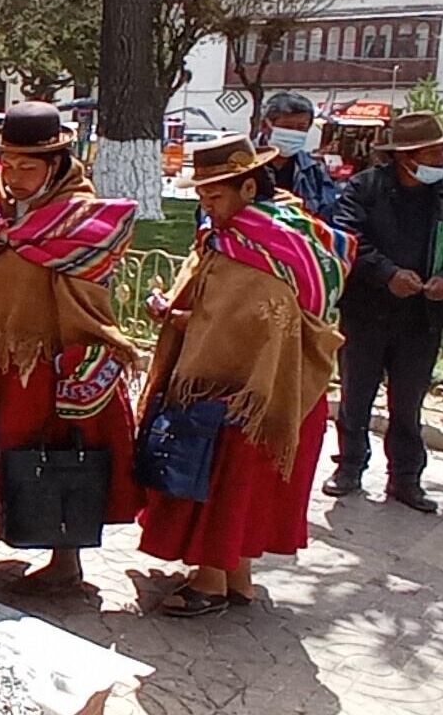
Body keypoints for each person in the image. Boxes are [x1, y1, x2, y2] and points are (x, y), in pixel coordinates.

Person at [138, 136, 354, 618]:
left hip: (247, 388)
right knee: (246, 487)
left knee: (227, 483)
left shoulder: (256, 248)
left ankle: (210, 581)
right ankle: (239, 577)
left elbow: (238, 320)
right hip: (276, 384)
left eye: (214, 197)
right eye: (202, 198)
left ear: (249, 187)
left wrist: (177, 319)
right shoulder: (262, 234)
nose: (207, 207)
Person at [0, 101, 143, 588]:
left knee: (53, 453)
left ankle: (64, 559)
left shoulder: (82, 221)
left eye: (26, 166)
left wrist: (73, 358)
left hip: (50, 364)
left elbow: (87, 296)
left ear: (55, 165)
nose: (12, 176)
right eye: (7, 164)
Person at [327, 111, 443, 511]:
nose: (442, 159)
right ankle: (349, 466)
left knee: (409, 402)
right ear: (406, 156)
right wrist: (387, 274)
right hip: (367, 312)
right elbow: (347, 238)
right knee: (356, 395)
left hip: (423, 317)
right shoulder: (365, 188)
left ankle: (406, 478)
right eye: (434, 152)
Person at [258, 92, 341, 221]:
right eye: (287, 127)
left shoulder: (314, 170)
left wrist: (302, 211)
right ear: (264, 125)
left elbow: (328, 214)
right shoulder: (242, 164)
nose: (294, 133)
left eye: (301, 128)